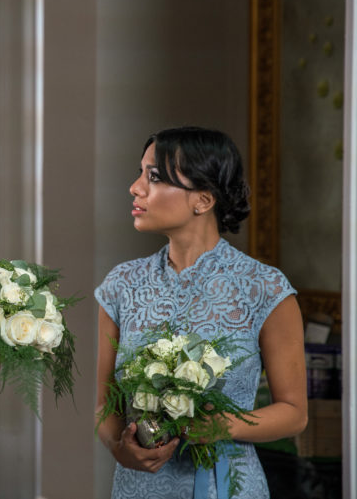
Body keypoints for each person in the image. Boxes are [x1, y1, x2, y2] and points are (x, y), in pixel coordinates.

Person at [95, 126, 308, 499]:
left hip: (226, 487)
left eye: (154, 177)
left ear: (203, 200)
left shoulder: (265, 288)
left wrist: (222, 425)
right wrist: (121, 450)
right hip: (137, 488)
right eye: (140, 173)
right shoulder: (120, 285)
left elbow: (294, 413)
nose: (135, 187)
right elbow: (105, 404)